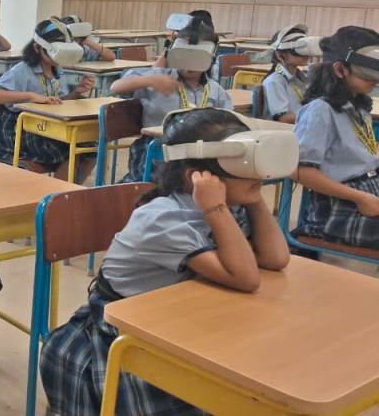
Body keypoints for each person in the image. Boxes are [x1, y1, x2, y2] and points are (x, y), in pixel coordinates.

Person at [40, 108, 290, 415]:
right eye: (243, 168)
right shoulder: (166, 219)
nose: (256, 174)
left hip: (179, 320)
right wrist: (216, 209)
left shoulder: (228, 206)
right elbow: (246, 278)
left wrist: (254, 195)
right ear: (197, 178)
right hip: (119, 333)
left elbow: (276, 258)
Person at [110, 16, 232, 182]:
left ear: (210, 58)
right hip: (156, 151)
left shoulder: (215, 91)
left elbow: (228, 124)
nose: (189, 65)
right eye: (184, 57)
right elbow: (115, 87)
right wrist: (150, 80)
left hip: (196, 153)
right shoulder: (159, 78)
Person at [293, 26, 379, 250]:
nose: (375, 81)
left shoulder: (358, 106)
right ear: (340, 70)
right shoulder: (320, 110)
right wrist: (361, 198)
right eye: (367, 75)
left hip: (368, 192)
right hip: (338, 209)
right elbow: (301, 172)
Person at [0, 19, 96, 181]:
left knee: (90, 150)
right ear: (37, 48)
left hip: (47, 125)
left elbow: (59, 101)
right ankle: (57, 192)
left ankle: (64, 191)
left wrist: (77, 91)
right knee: (69, 150)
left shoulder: (58, 70)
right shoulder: (22, 70)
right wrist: (29, 96)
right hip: (19, 128)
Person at [263, 24, 312, 123]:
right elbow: (283, 118)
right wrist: (313, 117)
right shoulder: (274, 82)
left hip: (303, 125)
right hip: (286, 129)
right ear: (280, 55)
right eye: (298, 51)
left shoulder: (303, 77)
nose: (305, 54)